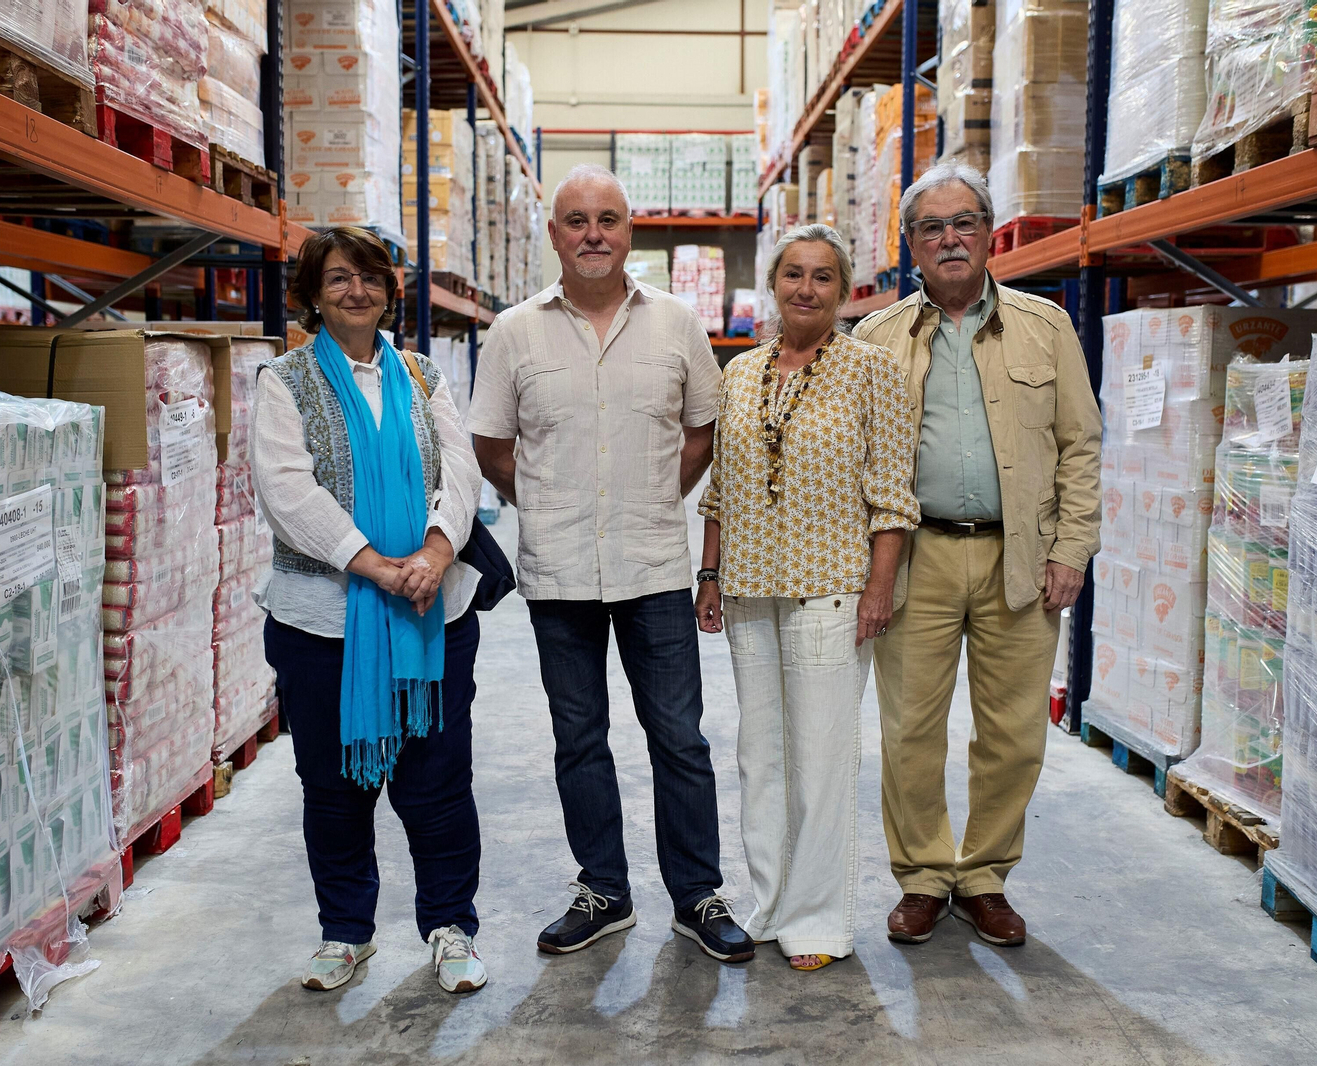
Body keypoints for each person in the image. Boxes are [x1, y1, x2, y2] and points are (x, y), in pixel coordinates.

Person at [467, 164, 754, 964]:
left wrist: (661, 493)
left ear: (631, 230)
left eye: (609, 219)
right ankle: (605, 891)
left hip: (654, 565)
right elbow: (490, 444)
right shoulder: (514, 332)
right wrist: (551, 501)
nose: (593, 233)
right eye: (576, 220)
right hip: (558, 570)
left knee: (679, 738)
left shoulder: (676, 325)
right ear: (554, 234)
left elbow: (703, 429)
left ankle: (696, 894)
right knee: (579, 736)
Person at [853, 163, 1101, 947]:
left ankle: (986, 876)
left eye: (964, 223)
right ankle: (924, 877)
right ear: (911, 247)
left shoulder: (1044, 326)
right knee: (910, 730)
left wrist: (1073, 549)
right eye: (932, 227)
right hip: (915, 558)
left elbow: (1080, 448)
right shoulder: (876, 338)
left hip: (1017, 559)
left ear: (990, 235)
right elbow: (853, 458)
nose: (950, 239)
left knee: (1015, 732)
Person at [251, 226, 489, 994]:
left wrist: (435, 554)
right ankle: (346, 932)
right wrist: (377, 566)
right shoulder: (282, 381)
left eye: (370, 277)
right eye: (339, 278)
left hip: (433, 616)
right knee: (334, 786)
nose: (357, 290)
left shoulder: (423, 377)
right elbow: (287, 492)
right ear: (312, 294)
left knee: (439, 785)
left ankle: (451, 927)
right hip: (323, 624)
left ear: (392, 290)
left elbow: (462, 471)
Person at [694, 224, 918, 971]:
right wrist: (710, 574)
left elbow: (892, 497)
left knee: (820, 759)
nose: (806, 288)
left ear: (845, 289)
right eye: (793, 274)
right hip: (751, 590)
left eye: (823, 276)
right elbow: (720, 489)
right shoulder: (740, 372)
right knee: (761, 755)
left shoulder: (871, 372)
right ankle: (772, 903)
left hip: (832, 591)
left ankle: (819, 922)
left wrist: (877, 591)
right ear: (773, 284)